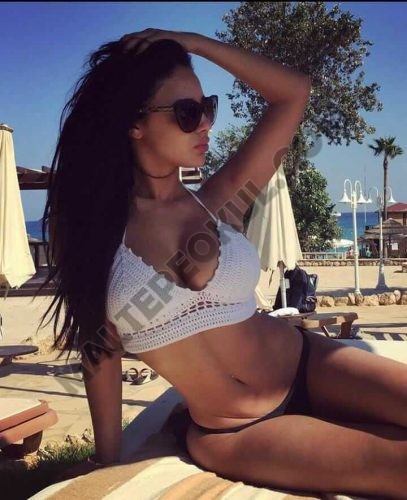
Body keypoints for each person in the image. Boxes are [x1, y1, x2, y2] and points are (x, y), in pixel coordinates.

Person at [37, 29, 407, 498]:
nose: (206, 125)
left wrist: (192, 44)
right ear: (134, 123)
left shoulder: (220, 200)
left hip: (308, 364)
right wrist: (107, 459)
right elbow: (100, 352)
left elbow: (293, 93)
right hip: (235, 429)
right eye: (187, 113)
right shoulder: (93, 236)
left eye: (207, 108)